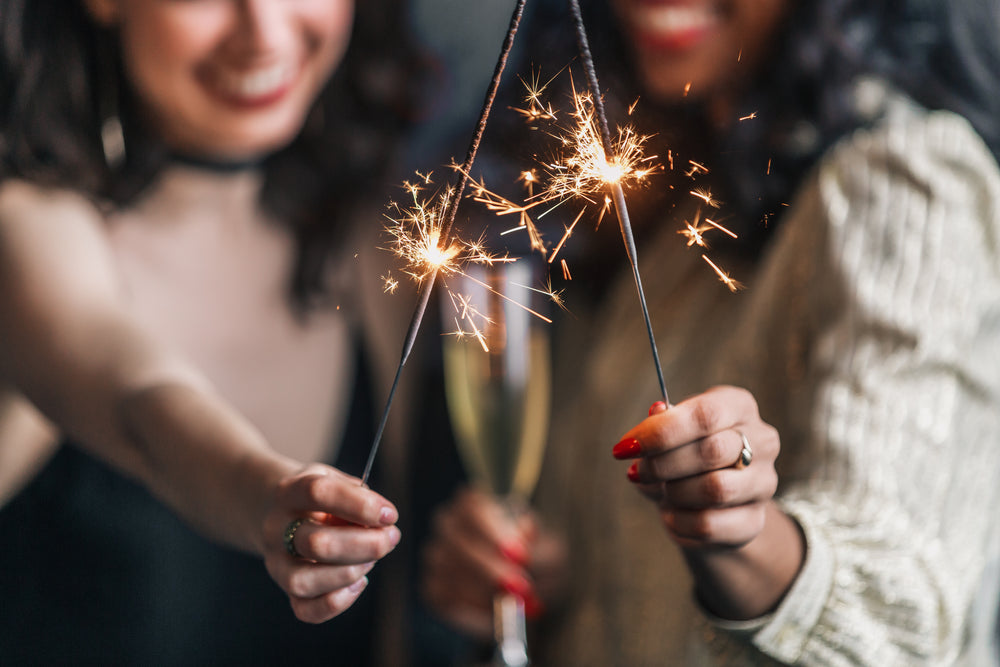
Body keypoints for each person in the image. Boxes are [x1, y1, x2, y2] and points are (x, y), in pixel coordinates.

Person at [421, 0, 1000, 664]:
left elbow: (897, 616)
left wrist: (744, 536)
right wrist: (549, 584)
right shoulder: (679, 193)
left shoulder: (903, 182)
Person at [0, 0, 425, 664]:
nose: (264, 33)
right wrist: (265, 496)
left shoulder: (371, 250)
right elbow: (142, 404)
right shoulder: (28, 230)